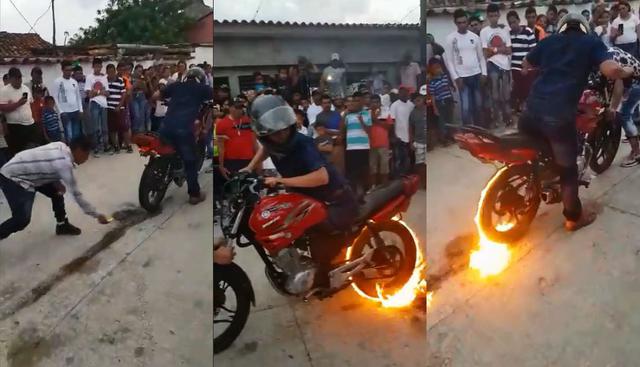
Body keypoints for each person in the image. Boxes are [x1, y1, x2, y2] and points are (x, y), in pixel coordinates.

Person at [521, 12, 633, 231]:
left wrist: (549, 69)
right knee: (568, 169)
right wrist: (626, 70)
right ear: (583, 28)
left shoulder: (549, 41)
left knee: (541, 150)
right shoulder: (590, 42)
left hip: (529, 112)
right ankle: (573, 216)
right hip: (557, 115)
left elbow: (526, 64)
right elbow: (612, 70)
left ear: (562, 27)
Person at [243, 95, 358, 285]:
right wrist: (249, 167)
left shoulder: (302, 144)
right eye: (275, 131)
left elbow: (322, 177)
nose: (281, 133)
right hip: (308, 197)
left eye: (283, 128)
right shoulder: (273, 143)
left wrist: (280, 181)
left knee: (318, 241)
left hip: (335, 200)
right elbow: (266, 149)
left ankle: (324, 277)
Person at [0, 137, 111, 240]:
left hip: (29, 172)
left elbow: (47, 163)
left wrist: (56, 182)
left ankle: (62, 225)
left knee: (57, 192)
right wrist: (97, 215)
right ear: (78, 150)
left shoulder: (60, 145)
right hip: (13, 177)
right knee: (21, 219)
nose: (87, 158)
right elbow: (77, 195)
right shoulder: (64, 165)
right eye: (86, 154)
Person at [152, 67, 212, 205]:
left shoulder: (175, 85)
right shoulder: (203, 88)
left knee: (163, 149)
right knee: (190, 162)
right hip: (183, 130)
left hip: (165, 127)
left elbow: (155, 96)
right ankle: (194, 194)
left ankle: (166, 167)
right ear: (201, 79)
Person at [444, 9, 487, 127]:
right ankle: (468, 132)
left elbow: (481, 57)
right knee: (466, 107)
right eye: (459, 23)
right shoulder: (450, 39)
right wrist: (456, 78)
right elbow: (449, 61)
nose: (462, 25)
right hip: (462, 78)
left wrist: (484, 73)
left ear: (467, 21)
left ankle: (480, 130)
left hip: (477, 75)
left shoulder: (474, 37)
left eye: (464, 22)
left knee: (478, 106)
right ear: (455, 23)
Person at [606, 46, 640, 166]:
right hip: (630, 80)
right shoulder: (603, 52)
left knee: (624, 114)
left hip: (636, 82)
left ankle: (637, 153)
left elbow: (618, 85)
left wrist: (613, 108)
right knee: (633, 114)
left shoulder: (609, 60)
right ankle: (634, 136)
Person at [481, 3, 513, 128]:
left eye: (495, 15)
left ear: (499, 15)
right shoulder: (484, 32)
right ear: (488, 17)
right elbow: (485, 52)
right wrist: (500, 49)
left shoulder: (504, 29)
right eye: (491, 16)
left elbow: (509, 50)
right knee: (494, 95)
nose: (494, 18)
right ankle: (497, 120)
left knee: (505, 95)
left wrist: (493, 50)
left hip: (505, 66)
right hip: (492, 65)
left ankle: (507, 119)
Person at [0, 67, 43, 155]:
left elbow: (31, 105)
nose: (19, 80)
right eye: (17, 78)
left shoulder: (25, 88)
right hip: (15, 126)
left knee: (34, 148)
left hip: (30, 124)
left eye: (20, 78)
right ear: (11, 79)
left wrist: (35, 120)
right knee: (19, 152)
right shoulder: (4, 91)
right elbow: (2, 107)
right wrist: (18, 104)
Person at [342, 92, 372, 194]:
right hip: (350, 147)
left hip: (363, 146)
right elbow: (342, 129)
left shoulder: (366, 113)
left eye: (359, 100)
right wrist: (344, 115)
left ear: (362, 101)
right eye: (354, 100)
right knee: (351, 173)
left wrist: (361, 121)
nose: (356, 103)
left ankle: (365, 192)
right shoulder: (347, 114)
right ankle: (353, 194)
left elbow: (369, 131)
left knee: (364, 171)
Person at [508, 10, 537, 114]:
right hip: (515, 68)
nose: (513, 25)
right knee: (517, 93)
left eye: (514, 22)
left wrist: (526, 67)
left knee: (528, 92)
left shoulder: (528, 32)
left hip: (527, 67)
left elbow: (533, 51)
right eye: (510, 23)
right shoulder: (509, 34)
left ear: (519, 20)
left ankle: (528, 113)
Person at [52, 60, 84, 143]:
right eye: (67, 70)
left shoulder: (74, 82)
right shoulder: (57, 82)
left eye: (70, 70)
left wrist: (80, 110)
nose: (69, 72)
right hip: (65, 112)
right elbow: (55, 97)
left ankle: (76, 152)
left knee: (76, 134)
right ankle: (69, 152)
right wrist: (61, 112)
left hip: (75, 111)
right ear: (62, 70)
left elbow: (78, 97)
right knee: (69, 134)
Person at [85, 58, 110, 155]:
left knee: (104, 127)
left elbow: (107, 93)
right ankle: (96, 147)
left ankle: (105, 145)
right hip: (95, 104)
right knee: (95, 127)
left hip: (104, 104)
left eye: (100, 66)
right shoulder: (89, 77)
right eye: (96, 66)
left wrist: (96, 91)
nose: (98, 68)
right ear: (93, 67)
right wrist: (100, 92)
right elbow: (89, 94)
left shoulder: (104, 78)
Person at [427, 58, 454, 145]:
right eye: (435, 68)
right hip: (440, 103)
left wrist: (452, 100)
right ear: (431, 70)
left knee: (450, 119)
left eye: (438, 67)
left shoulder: (445, 77)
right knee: (442, 121)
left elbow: (449, 89)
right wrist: (435, 108)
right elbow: (433, 96)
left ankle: (450, 135)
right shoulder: (432, 82)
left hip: (448, 100)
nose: (437, 69)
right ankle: (443, 138)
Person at [389, 86, 414, 177]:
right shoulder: (395, 105)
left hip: (409, 137)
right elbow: (392, 122)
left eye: (407, 92)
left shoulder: (411, 105)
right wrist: (394, 136)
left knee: (408, 159)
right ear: (399, 93)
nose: (405, 94)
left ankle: (406, 178)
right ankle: (397, 179)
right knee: (399, 160)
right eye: (403, 92)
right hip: (399, 137)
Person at [105, 63, 131, 153]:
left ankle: (128, 146)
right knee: (112, 128)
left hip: (120, 107)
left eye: (112, 72)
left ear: (115, 71)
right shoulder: (105, 80)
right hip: (109, 107)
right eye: (109, 72)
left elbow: (123, 94)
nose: (111, 73)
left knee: (124, 127)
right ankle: (116, 146)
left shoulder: (120, 80)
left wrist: (119, 106)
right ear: (107, 72)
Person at [368, 94, 392, 187]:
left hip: (383, 143)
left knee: (384, 166)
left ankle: (385, 186)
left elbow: (389, 127)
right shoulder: (366, 113)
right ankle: (373, 186)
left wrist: (376, 120)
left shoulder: (386, 113)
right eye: (372, 102)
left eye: (376, 102)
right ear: (370, 103)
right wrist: (372, 117)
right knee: (372, 167)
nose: (374, 104)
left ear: (380, 103)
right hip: (370, 144)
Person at [410, 93, 427, 190]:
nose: (418, 102)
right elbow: (411, 128)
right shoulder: (413, 113)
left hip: (426, 140)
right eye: (415, 101)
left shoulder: (426, 110)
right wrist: (411, 142)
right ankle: (423, 182)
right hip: (418, 141)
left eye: (419, 100)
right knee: (420, 164)